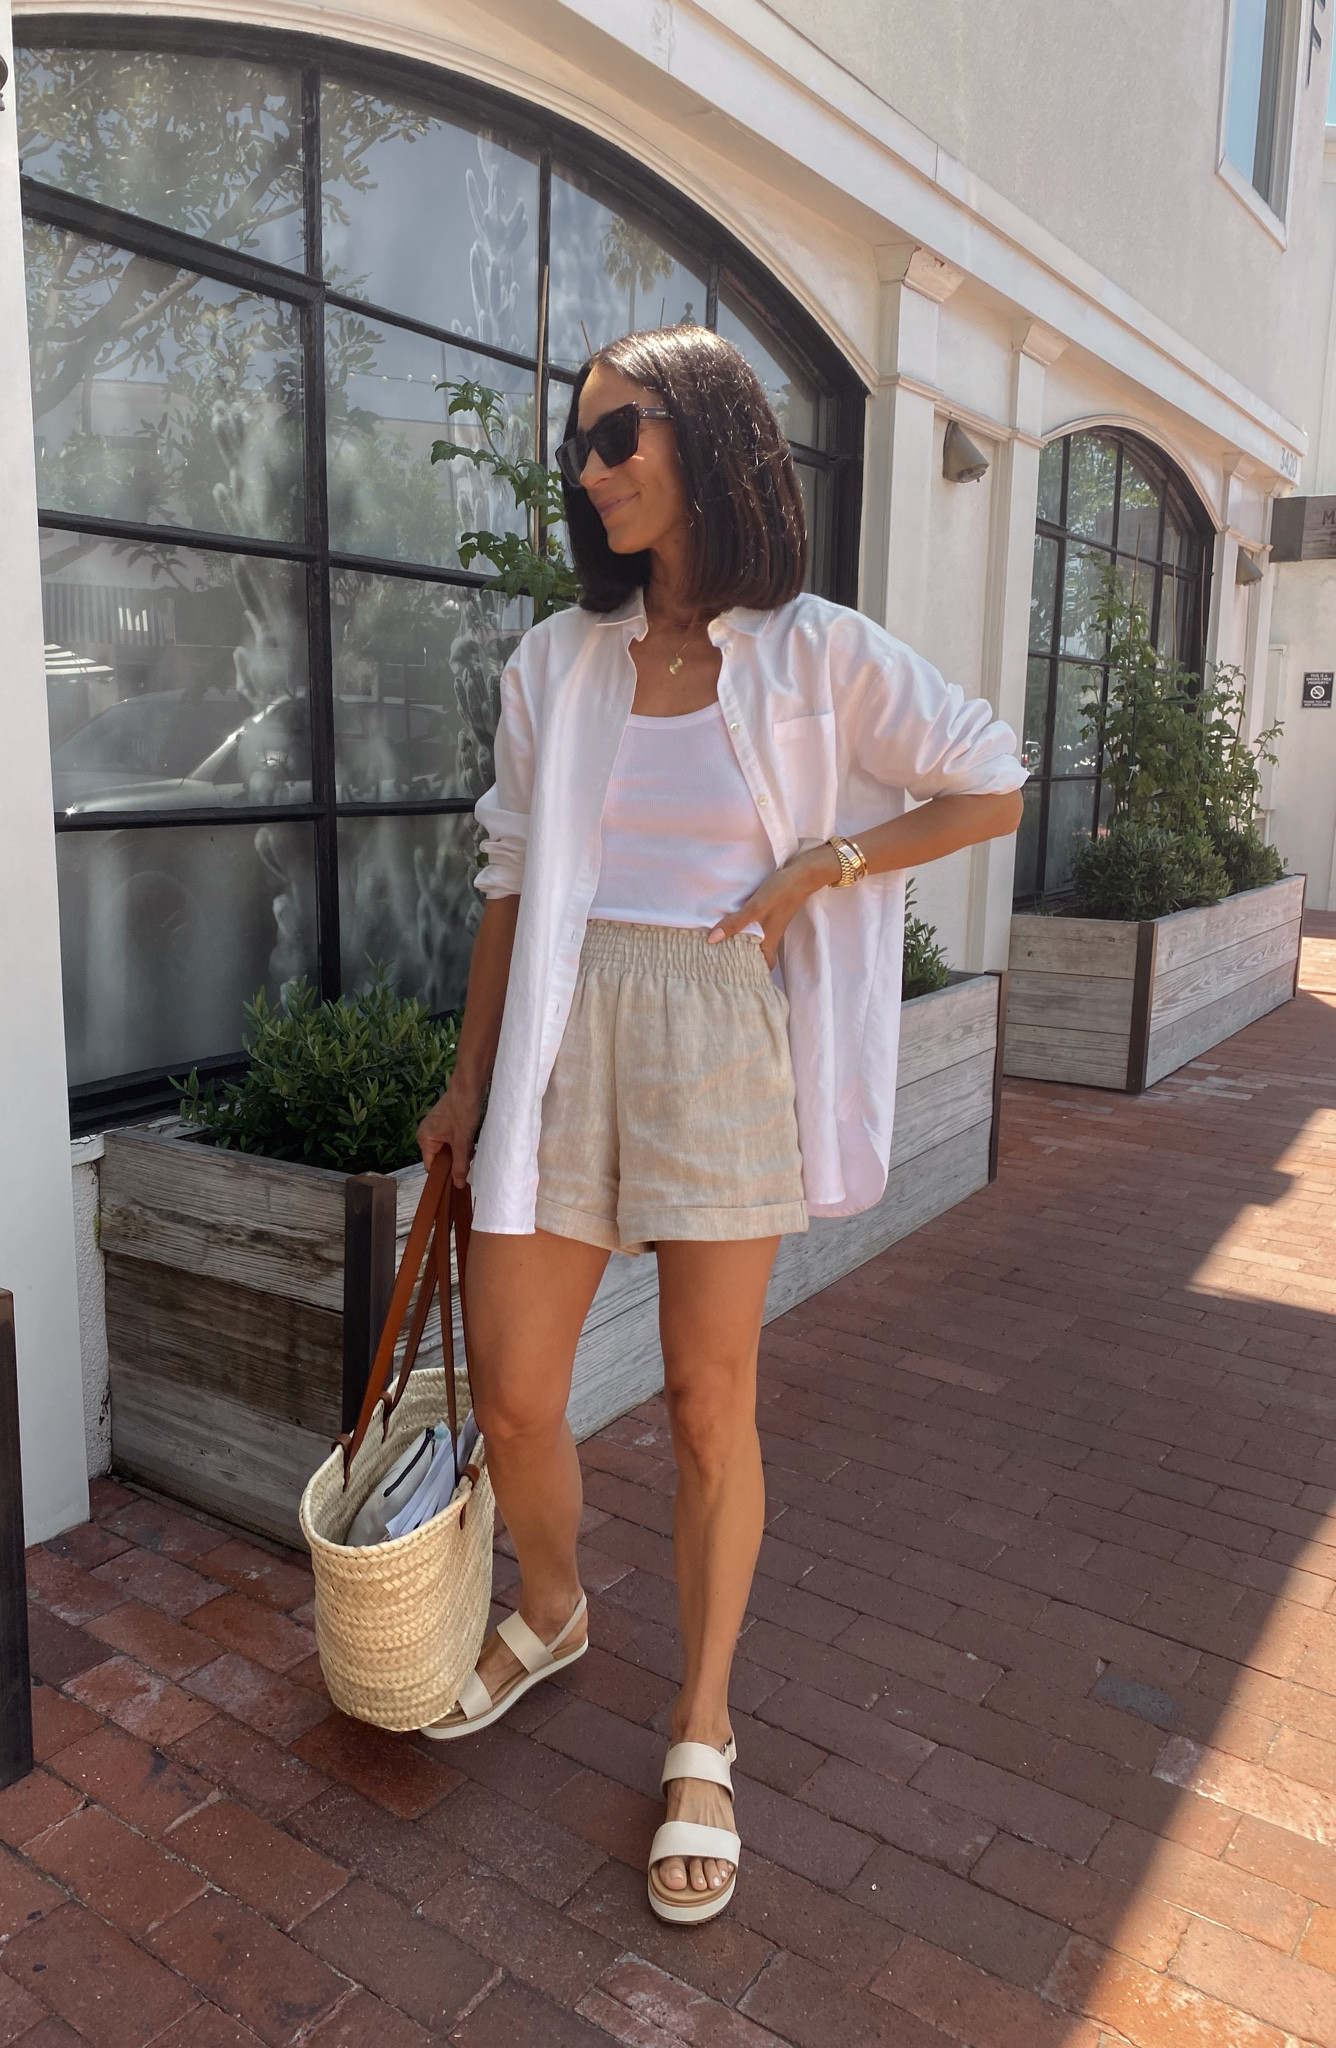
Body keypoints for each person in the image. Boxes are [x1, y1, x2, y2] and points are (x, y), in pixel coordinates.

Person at [415, 324, 1025, 1925]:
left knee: (705, 1404)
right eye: (581, 448)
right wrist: (469, 1082)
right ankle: (551, 1609)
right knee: (527, 1397)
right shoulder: (557, 661)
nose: (592, 469)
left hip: (722, 1026)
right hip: (563, 1032)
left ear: (705, 436)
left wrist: (823, 866)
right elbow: (505, 884)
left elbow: (990, 783)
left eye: (618, 435)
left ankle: (703, 1729)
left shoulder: (819, 651)